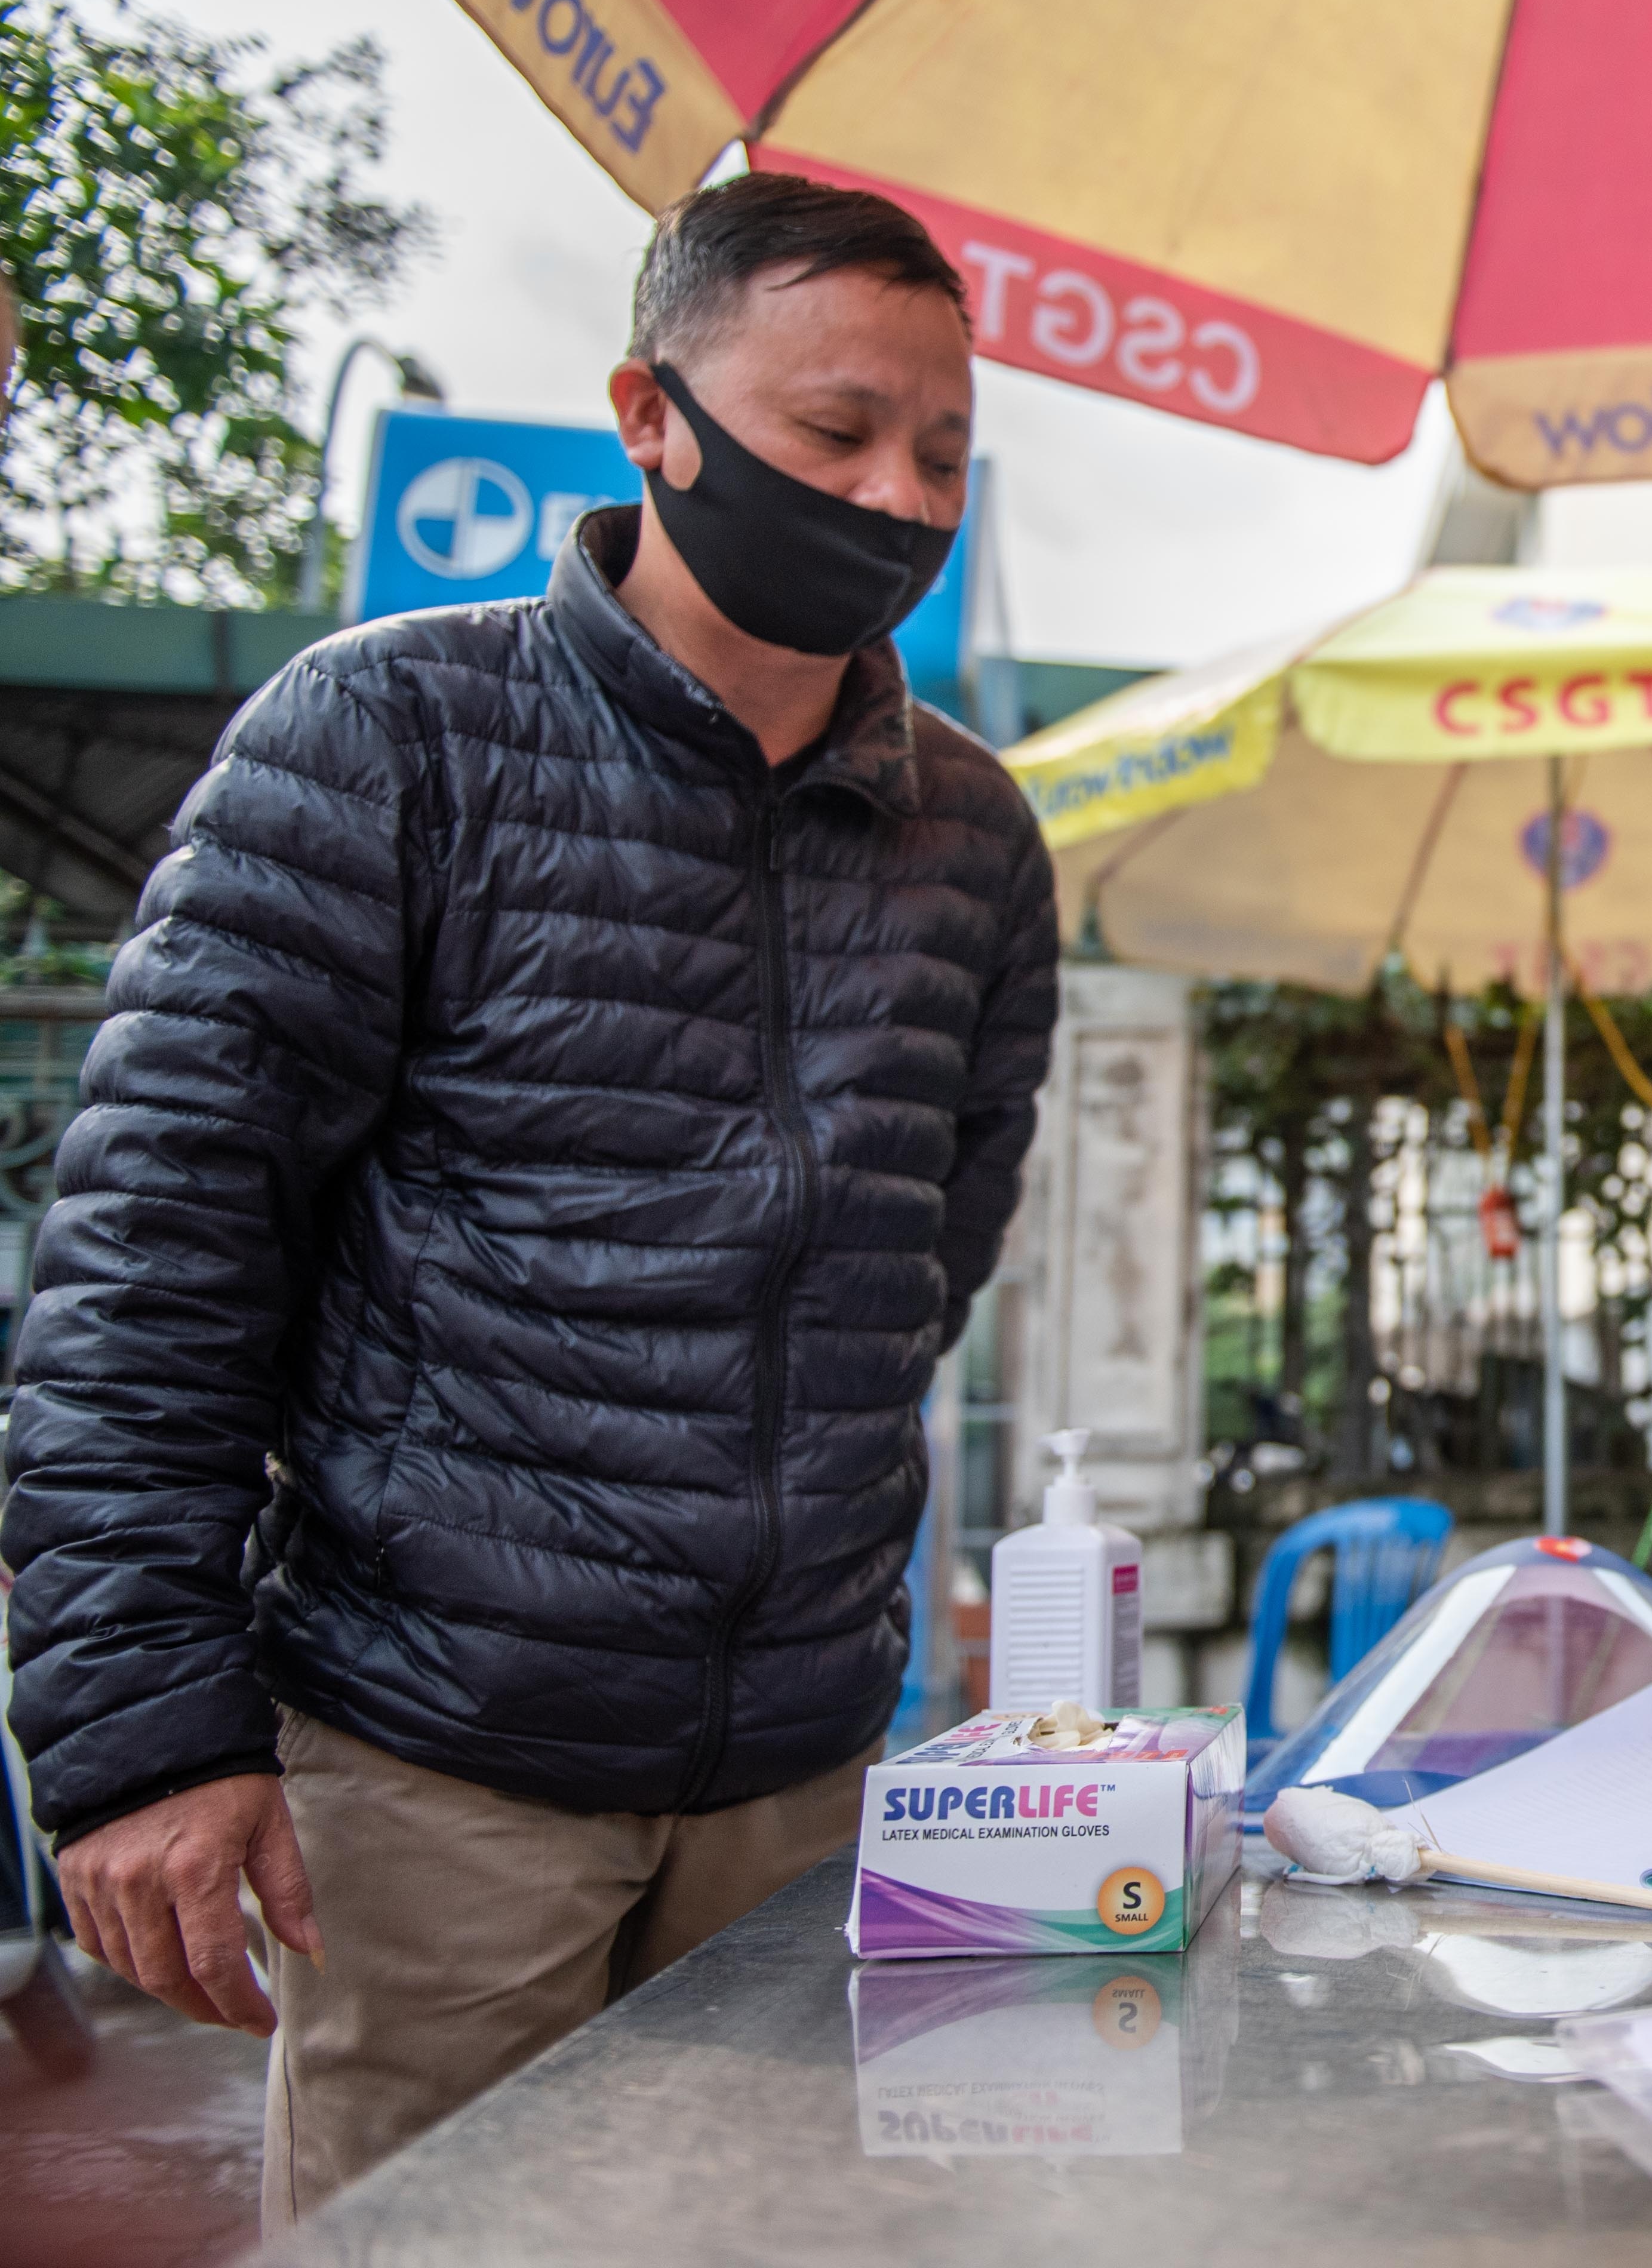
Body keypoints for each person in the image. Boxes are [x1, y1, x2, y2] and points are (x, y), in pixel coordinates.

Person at [0, 171, 1060, 2220]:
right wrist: (140, 1732)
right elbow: (153, 1257)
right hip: (432, 1771)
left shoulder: (974, 837)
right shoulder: (384, 734)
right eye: (835, 434)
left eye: (942, 450)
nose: (900, 497)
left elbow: (933, 1244)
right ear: (650, 416)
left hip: (800, 1774)